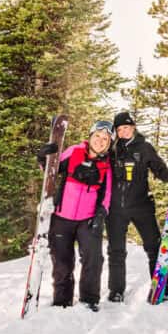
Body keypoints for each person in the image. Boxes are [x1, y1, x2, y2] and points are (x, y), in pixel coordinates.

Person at [106, 111, 168, 303]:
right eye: (120, 129)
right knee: (116, 251)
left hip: (141, 205)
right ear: (116, 131)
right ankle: (116, 291)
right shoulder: (111, 150)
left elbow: (163, 174)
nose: (124, 131)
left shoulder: (145, 148)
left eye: (127, 127)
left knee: (154, 247)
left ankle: (162, 286)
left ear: (133, 127)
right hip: (115, 209)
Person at [37, 120, 113, 312]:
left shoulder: (107, 164)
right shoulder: (74, 152)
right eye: (97, 136)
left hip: (87, 220)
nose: (100, 141)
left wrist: (101, 214)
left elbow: (107, 193)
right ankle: (62, 301)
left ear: (109, 143)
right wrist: (42, 158)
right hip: (62, 217)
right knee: (62, 262)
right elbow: (51, 172)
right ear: (90, 136)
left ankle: (89, 300)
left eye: (105, 139)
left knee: (93, 259)